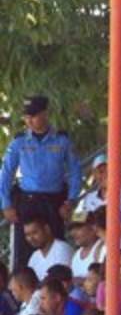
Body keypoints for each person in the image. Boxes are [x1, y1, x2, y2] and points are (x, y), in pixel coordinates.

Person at [0, 96, 82, 267]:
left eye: (33, 115)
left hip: (54, 202)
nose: (29, 120)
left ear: (45, 114)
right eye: (26, 116)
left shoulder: (62, 140)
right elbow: (6, 173)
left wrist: (71, 200)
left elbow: (75, 171)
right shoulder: (19, 141)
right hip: (27, 201)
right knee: (23, 252)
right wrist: (6, 204)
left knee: (56, 249)